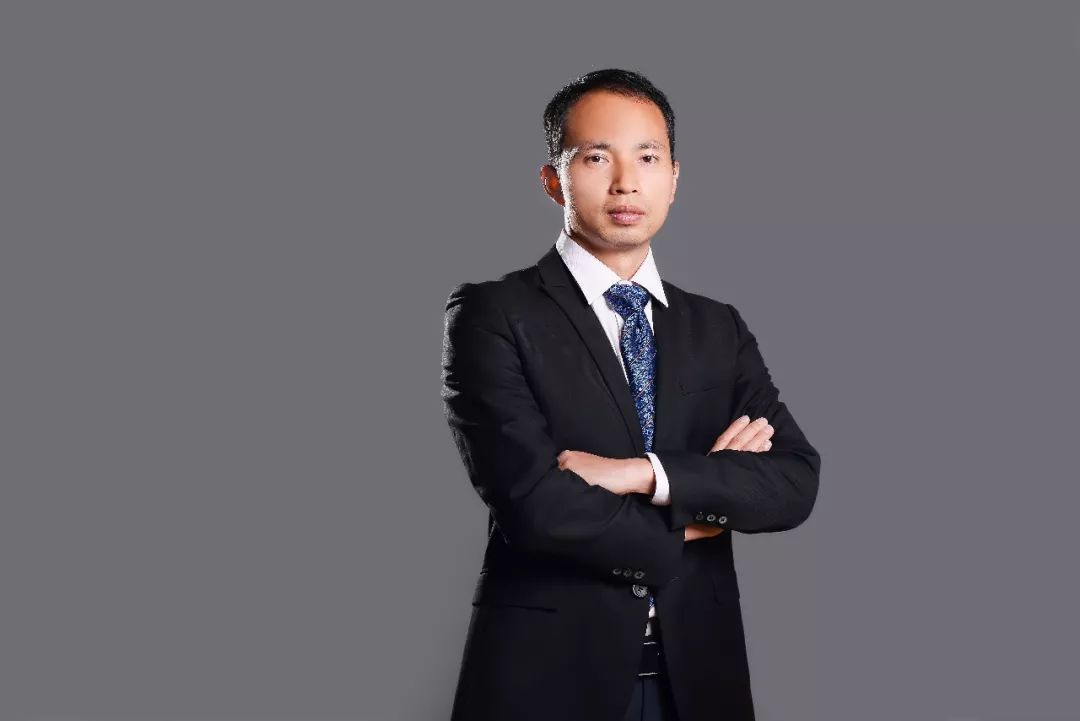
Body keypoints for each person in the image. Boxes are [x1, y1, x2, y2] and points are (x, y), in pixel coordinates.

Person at [440, 68, 821, 721]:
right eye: (597, 157)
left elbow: (793, 482)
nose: (626, 182)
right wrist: (705, 508)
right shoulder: (492, 314)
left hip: (699, 678)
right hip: (547, 679)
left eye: (647, 157)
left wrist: (640, 474)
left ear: (674, 177)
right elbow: (535, 505)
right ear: (554, 179)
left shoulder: (717, 327)